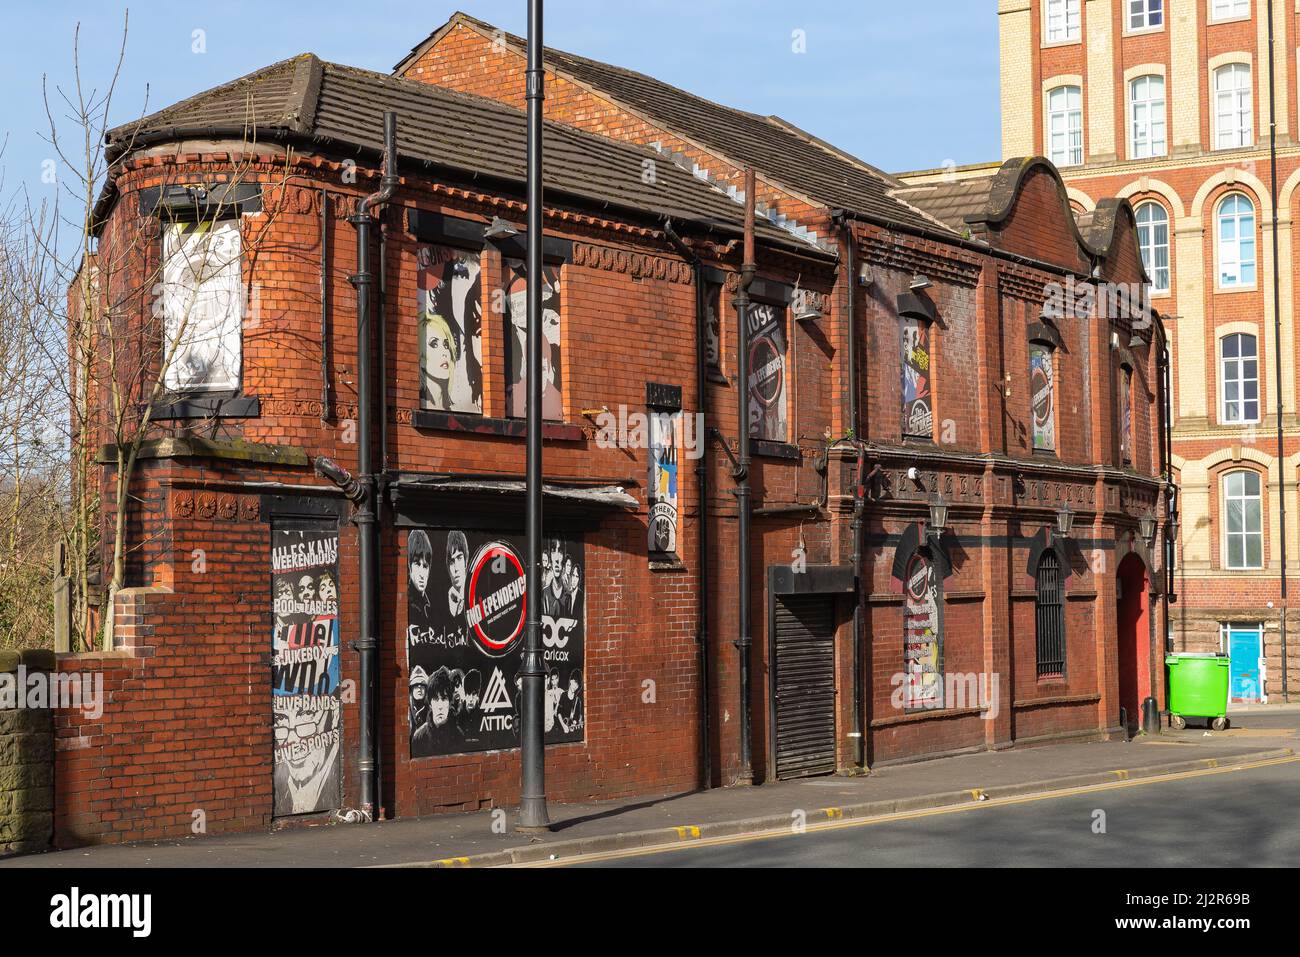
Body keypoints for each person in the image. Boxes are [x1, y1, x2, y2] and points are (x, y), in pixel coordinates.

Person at [412, 666, 455, 757]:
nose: (440, 706)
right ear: (430, 703)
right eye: (435, 699)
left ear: (450, 702)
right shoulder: (419, 737)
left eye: (444, 699)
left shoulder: (458, 735)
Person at [407, 530, 433, 628]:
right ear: (409, 566)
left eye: (425, 566)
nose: (422, 574)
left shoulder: (428, 605)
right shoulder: (409, 604)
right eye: (417, 564)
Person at [446, 530, 468, 618]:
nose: (456, 568)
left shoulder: (476, 594)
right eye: (452, 562)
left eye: (459, 558)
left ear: (465, 561)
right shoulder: (444, 601)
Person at [455, 669, 482, 739]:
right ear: (464, 694)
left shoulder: (482, 716)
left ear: (478, 696)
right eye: (468, 694)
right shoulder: (457, 718)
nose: (470, 699)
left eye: (474, 694)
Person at [558, 669, 583, 734]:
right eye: (575, 682)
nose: (575, 686)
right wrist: (563, 726)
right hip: (561, 729)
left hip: (570, 732)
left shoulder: (577, 701)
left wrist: (574, 724)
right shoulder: (563, 695)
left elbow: (576, 718)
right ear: (571, 680)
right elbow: (559, 712)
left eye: (577, 685)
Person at [408, 666, 429, 735]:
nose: (419, 689)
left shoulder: (430, 710)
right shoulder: (408, 710)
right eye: (416, 686)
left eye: (422, 686)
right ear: (412, 689)